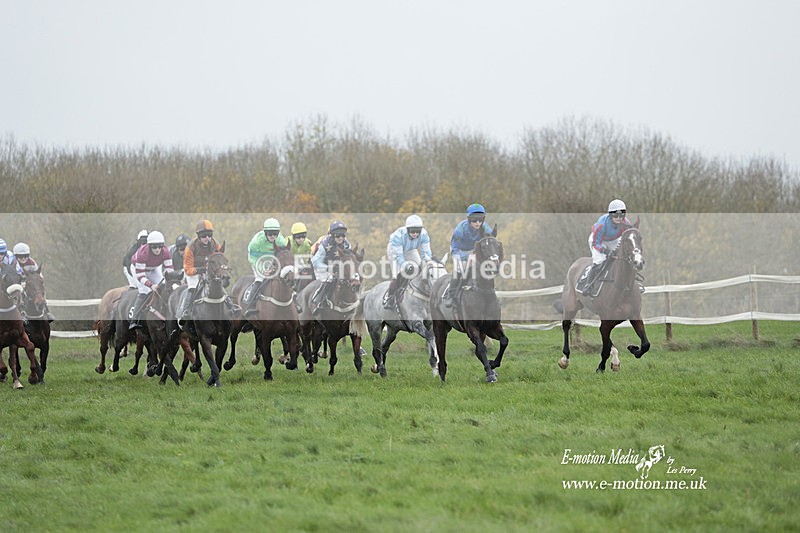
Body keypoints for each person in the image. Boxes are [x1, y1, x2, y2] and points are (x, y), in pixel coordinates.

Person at [177, 220, 240, 325]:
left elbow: (219, 258)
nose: (207, 238)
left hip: (209, 270)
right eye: (204, 236)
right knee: (192, 287)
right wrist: (199, 270)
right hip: (193, 271)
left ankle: (231, 307)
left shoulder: (215, 244)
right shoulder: (190, 247)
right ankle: (185, 311)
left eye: (210, 235)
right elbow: (188, 269)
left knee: (218, 284)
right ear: (199, 236)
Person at [578, 198, 634, 295]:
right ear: (610, 215)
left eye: (621, 215)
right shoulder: (601, 225)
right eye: (615, 215)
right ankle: (588, 285)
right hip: (598, 241)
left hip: (613, 240)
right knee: (599, 261)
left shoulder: (626, 224)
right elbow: (596, 243)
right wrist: (606, 251)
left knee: (623, 258)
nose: (618, 218)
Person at [443, 203, 494, 308]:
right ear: (469, 219)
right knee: (459, 269)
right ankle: (450, 294)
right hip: (459, 251)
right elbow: (455, 249)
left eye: (480, 219)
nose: (477, 223)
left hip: (476, 251)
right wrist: (466, 256)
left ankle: (491, 295)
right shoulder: (460, 230)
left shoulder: (486, 229)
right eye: (474, 220)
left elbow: (490, 243)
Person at [383, 214, 432, 309]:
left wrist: (427, 263)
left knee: (422, 270)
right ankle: (389, 297)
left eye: (417, 231)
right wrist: (406, 265)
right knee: (396, 275)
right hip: (395, 252)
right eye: (412, 231)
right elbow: (399, 257)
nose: (415, 234)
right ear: (407, 229)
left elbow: (426, 253)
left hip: (411, 250)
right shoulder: (397, 236)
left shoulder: (424, 235)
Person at [243, 218, 288, 317]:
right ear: (265, 232)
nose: (273, 236)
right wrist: (263, 270)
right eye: (270, 234)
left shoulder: (281, 240)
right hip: (258, 260)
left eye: (275, 234)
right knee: (260, 279)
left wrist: (275, 266)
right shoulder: (257, 241)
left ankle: (294, 303)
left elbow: (282, 256)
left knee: (285, 278)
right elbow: (253, 258)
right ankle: (250, 306)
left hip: (272, 261)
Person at [129, 231, 174, 330]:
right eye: (154, 247)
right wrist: (151, 285)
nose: (158, 249)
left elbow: (169, 271)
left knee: (163, 286)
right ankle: (134, 319)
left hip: (153, 268)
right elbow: (140, 276)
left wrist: (170, 280)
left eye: (160, 246)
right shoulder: (143, 253)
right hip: (137, 269)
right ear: (149, 246)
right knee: (145, 291)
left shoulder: (166, 252)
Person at [309, 220, 352, 315]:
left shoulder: (347, 244)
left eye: (343, 235)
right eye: (337, 235)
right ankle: (318, 302)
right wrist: (329, 269)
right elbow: (315, 262)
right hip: (322, 266)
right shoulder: (325, 244)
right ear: (332, 235)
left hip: (338, 268)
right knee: (329, 279)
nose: (341, 238)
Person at [12, 242, 55, 322]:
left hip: (30, 282)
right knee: (19, 290)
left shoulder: (32, 262)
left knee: (39, 288)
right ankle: (19, 310)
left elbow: (39, 276)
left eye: (26, 256)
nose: (23, 258)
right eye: (20, 256)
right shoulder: (13, 263)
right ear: (16, 256)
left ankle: (46, 310)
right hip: (18, 282)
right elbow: (14, 277)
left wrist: (40, 282)